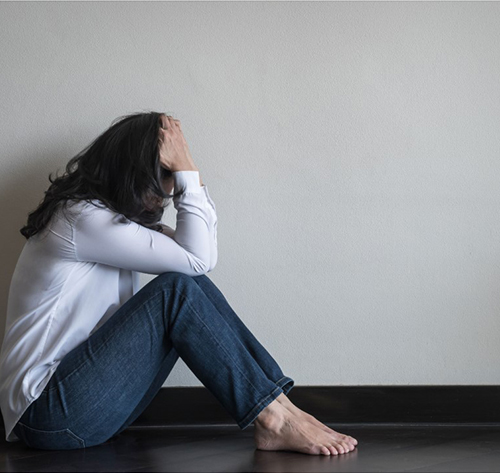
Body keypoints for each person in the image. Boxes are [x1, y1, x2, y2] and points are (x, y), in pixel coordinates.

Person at [0, 112, 358, 455]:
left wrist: (191, 174)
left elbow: (199, 258)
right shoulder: (80, 216)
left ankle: (281, 405)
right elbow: (198, 257)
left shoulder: (113, 221)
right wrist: (188, 169)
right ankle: (272, 417)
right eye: (163, 183)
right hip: (46, 413)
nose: (162, 200)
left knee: (192, 284)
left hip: (84, 409)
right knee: (175, 290)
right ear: (133, 172)